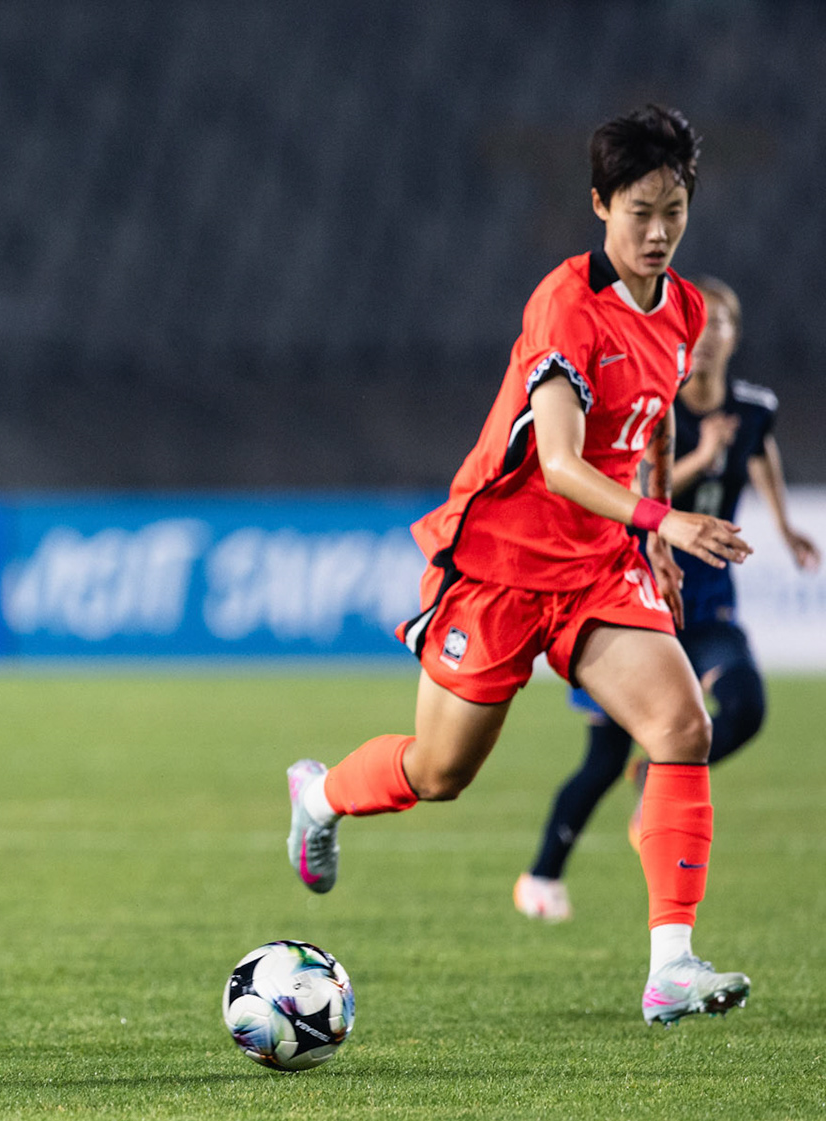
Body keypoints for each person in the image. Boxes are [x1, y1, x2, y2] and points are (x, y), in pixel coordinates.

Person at [281, 105, 758, 1026]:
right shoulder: (564, 305)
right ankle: (322, 794)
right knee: (440, 772)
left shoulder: (687, 311)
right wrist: (669, 516)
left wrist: (650, 535)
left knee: (681, 726)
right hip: (499, 567)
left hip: (596, 570)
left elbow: (650, 424)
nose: (657, 232)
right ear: (598, 205)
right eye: (637, 212)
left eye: (674, 210)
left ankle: (671, 966)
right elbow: (560, 462)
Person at [515, 277, 818, 922]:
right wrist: (701, 456)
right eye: (699, 324)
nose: (707, 337)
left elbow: (759, 453)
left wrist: (785, 523)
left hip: (707, 604)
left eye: (721, 324)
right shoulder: (657, 405)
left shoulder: (754, 407)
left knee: (746, 706)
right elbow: (635, 486)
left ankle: (657, 782)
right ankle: (541, 875)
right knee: (601, 760)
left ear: (735, 335)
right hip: (633, 599)